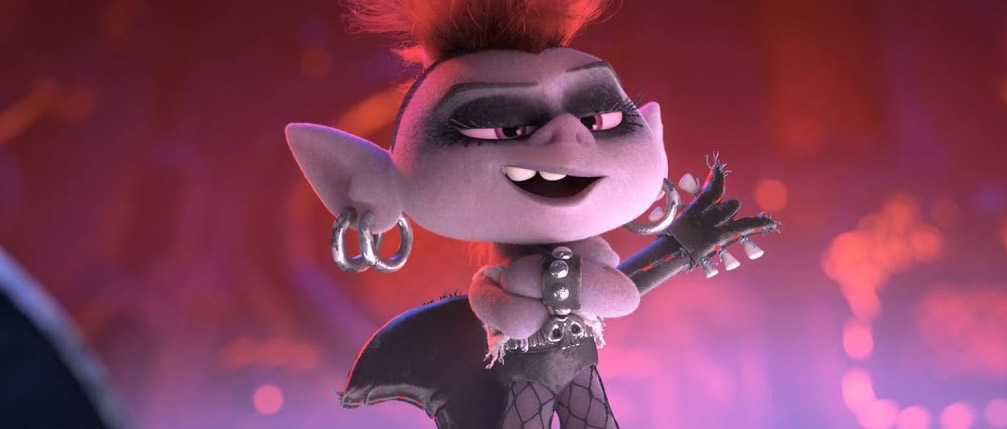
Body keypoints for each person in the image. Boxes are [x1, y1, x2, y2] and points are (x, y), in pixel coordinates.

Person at [285, 1, 778, 427]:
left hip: (578, 364)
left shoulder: (588, 258)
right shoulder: (493, 281)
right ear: (366, 182)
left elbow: (621, 294)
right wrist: (551, 286)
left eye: (597, 119)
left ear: (654, 136)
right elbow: (517, 321)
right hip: (526, 373)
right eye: (504, 129)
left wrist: (677, 250)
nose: (567, 134)